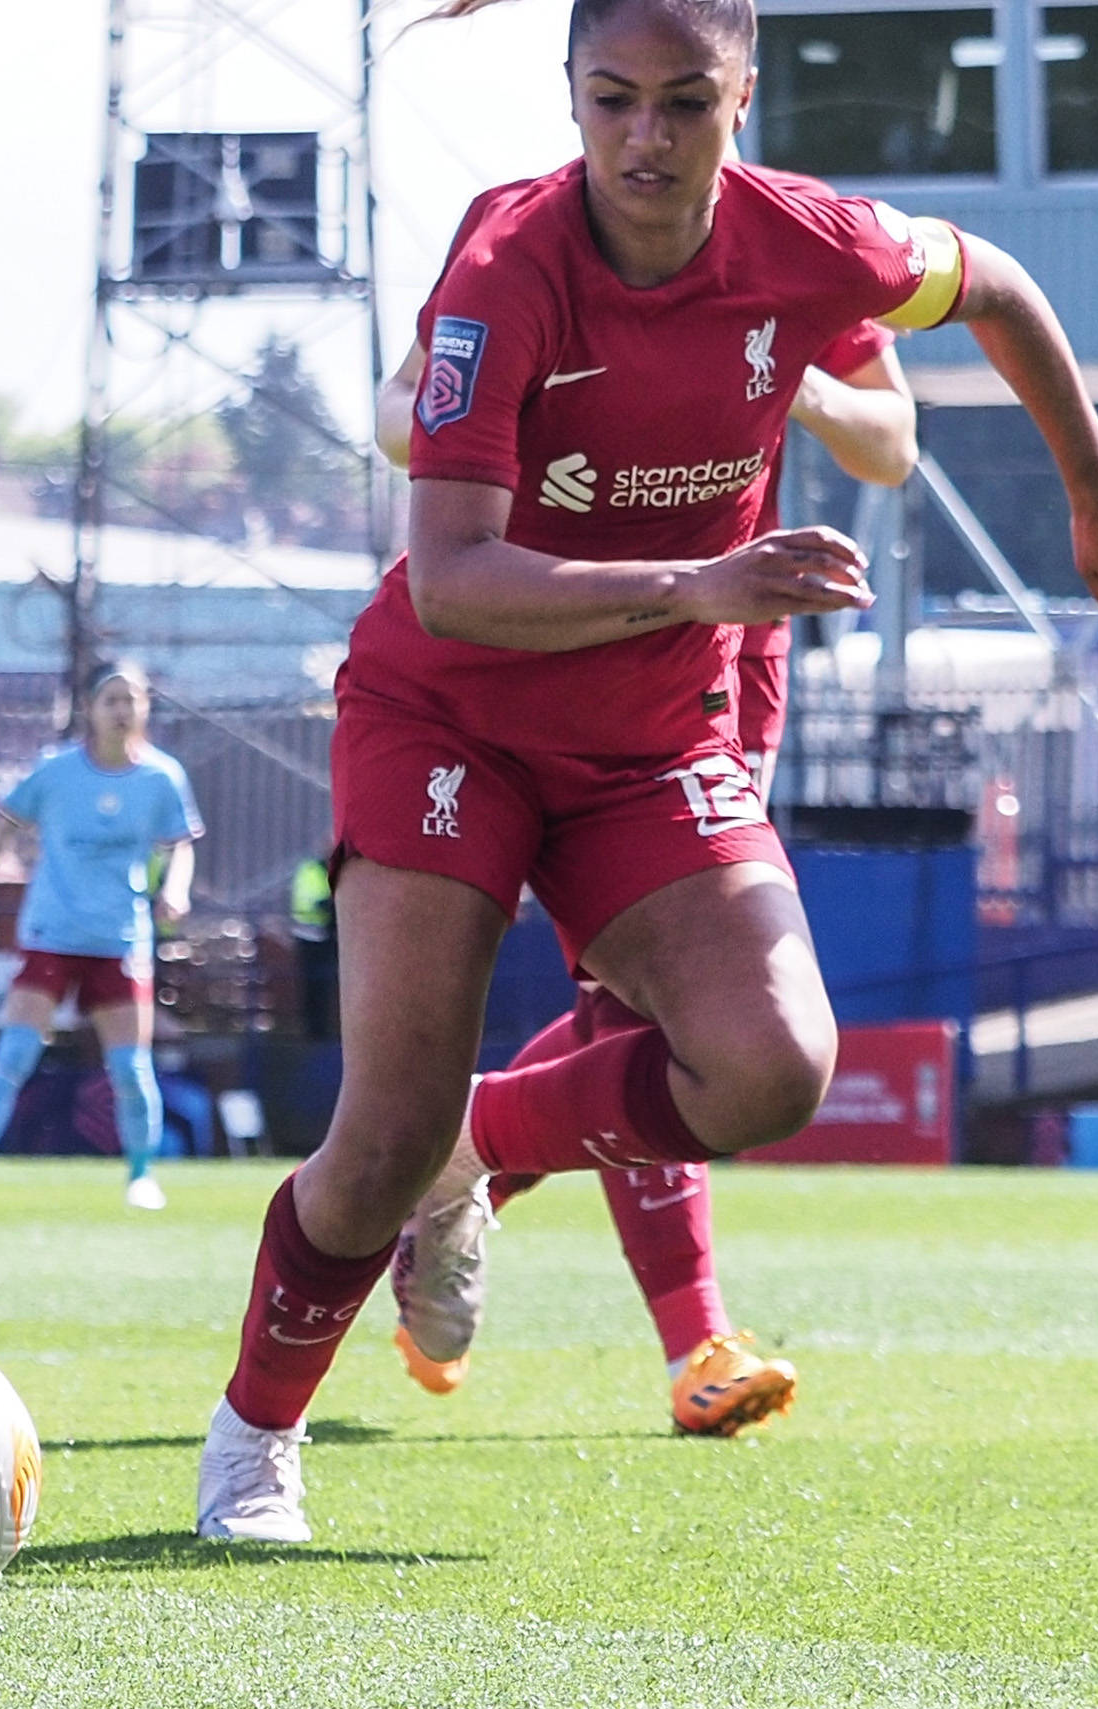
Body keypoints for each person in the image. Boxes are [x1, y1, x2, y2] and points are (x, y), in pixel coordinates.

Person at [190, 0, 1098, 1544]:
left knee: (774, 1066)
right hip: (453, 718)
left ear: (745, 98)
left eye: (684, 104)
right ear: (569, 94)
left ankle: (482, 1143)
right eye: (611, 101)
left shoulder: (805, 237)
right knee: (371, 1136)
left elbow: (997, 281)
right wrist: (697, 585)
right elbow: (448, 574)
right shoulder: (508, 259)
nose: (645, 141)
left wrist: (1091, 481)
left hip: (644, 737)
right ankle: (252, 1438)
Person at [385, 324, 920, 1433]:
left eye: (691, 129)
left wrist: (796, 379)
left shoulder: (804, 242)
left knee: (654, 1011)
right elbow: (397, 417)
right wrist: (499, 433)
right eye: (635, 127)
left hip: (735, 637)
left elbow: (892, 443)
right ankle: (688, 1335)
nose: (657, 140)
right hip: (553, 619)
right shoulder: (528, 243)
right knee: (641, 1015)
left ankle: (452, 1154)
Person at [0, 663, 201, 1212]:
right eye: (110, 699)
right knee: (14, 1053)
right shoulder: (56, 772)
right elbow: (7, 824)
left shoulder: (162, 777)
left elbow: (180, 843)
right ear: (90, 708)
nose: (121, 710)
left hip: (120, 936)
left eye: (130, 699)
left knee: (131, 1070)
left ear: (145, 709)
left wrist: (176, 888)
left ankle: (141, 1176)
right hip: (53, 932)